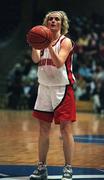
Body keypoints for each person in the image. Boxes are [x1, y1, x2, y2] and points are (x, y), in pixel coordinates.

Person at [29, 10, 76, 180]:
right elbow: (35, 59)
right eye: (50, 19)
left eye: (57, 19)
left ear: (62, 23)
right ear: (46, 22)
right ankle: (41, 168)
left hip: (62, 89)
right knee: (43, 129)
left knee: (65, 129)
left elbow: (58, 63)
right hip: (44, 88)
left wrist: (48, 44)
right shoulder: (41, 39)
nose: (53, 21)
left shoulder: (66, 41)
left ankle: (68, 168)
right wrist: (35, 44)